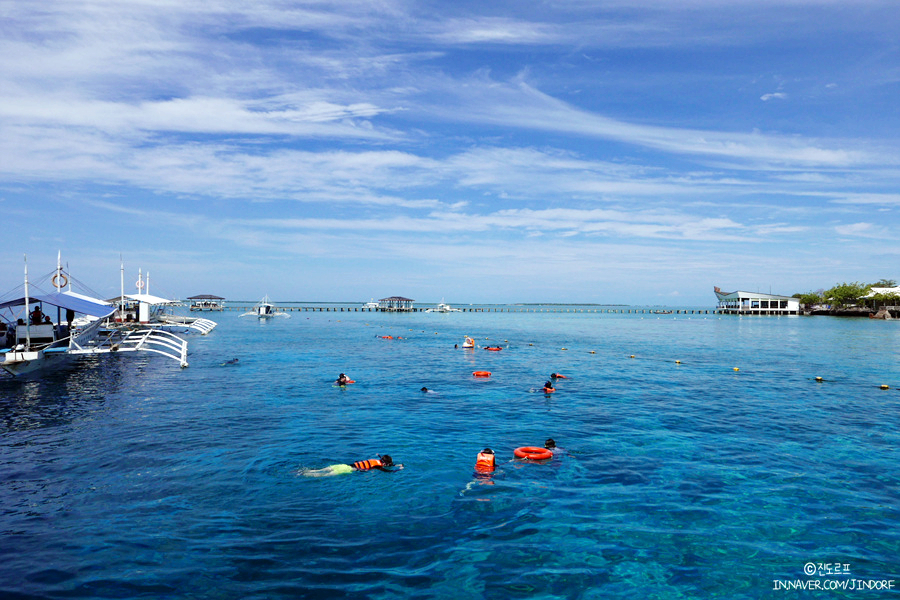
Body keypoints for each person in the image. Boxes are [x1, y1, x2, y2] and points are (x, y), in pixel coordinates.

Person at [302, 454, 402, 477]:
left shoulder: (374, 461)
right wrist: (400, 469)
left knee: (319, 469)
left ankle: (303, 471)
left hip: (342, 465)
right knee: (322, 475)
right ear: (385, 463)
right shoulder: (377, 466)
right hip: (346, 470)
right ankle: (303, 474)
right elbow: (389, 471)